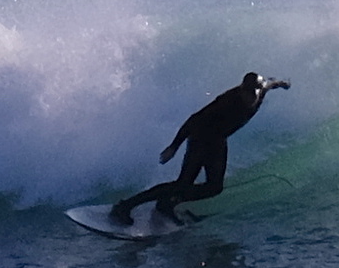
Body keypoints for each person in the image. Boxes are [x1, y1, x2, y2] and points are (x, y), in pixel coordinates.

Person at [110, 71, 290, 225]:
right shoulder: (226, 102)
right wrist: (174, 146)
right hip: (201, 139)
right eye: (249, 92)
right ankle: (124, 206)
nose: (252, 96)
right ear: (241, 89)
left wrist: (282, 84)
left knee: (214, 188)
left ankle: (168, 204)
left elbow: (268, 83)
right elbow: (193, 120)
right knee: (183, 183)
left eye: (255, 92)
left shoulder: (259, 91)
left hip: (218, 141)